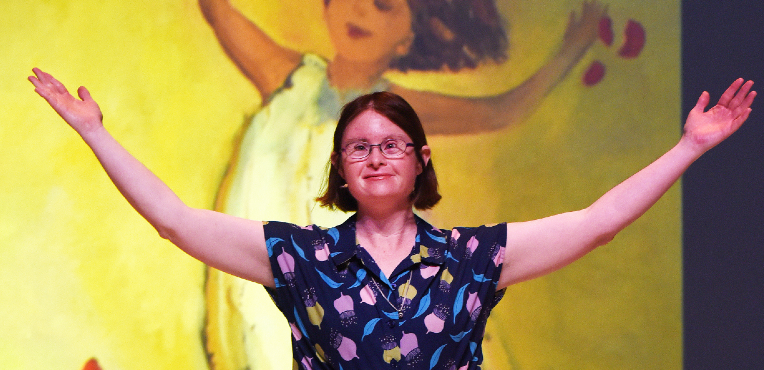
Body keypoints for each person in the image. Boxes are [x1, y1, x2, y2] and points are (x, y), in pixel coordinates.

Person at [28, 68, 755, 369]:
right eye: (357, 148)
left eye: (389, 145)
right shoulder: (300, 257)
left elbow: (598, 222)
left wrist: (689, 147)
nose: (374, 158)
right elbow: (175, 221)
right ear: (340, 167)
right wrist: (95, 132)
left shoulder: (473, 258)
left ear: (421, 158)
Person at [199, 1, 609, 365]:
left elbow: (501, 111)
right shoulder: (287, 75)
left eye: (383, 6)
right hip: (265, 281)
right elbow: (217, 9)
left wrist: (575, 45)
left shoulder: (396, 113)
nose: (359, 11)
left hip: (342, 304)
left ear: (408, 35)